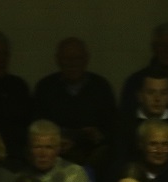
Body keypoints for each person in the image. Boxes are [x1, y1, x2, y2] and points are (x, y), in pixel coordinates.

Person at [33, 37, 118, 169]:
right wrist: (56, 141)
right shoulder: (45, 88)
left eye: (77, 58)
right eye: (67, 59)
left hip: (92, 154)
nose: (72, 63)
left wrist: (98, 135)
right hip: (55, 154)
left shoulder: (101, 87)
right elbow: (36, 126)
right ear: (58, 60)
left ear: (86, 59)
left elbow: (113, 128)